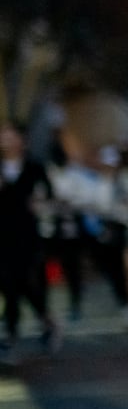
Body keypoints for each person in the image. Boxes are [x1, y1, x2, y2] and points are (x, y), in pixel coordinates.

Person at [0, 122, 58, 355]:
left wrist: (40, 204)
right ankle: (16, 330)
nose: (6, 140)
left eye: (11, 135)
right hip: (1, 234)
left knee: (22, 281)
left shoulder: (34, 168)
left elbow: (49, 196)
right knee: (7, 281)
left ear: (23, 141)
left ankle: (29, 326)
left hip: (26, 234)